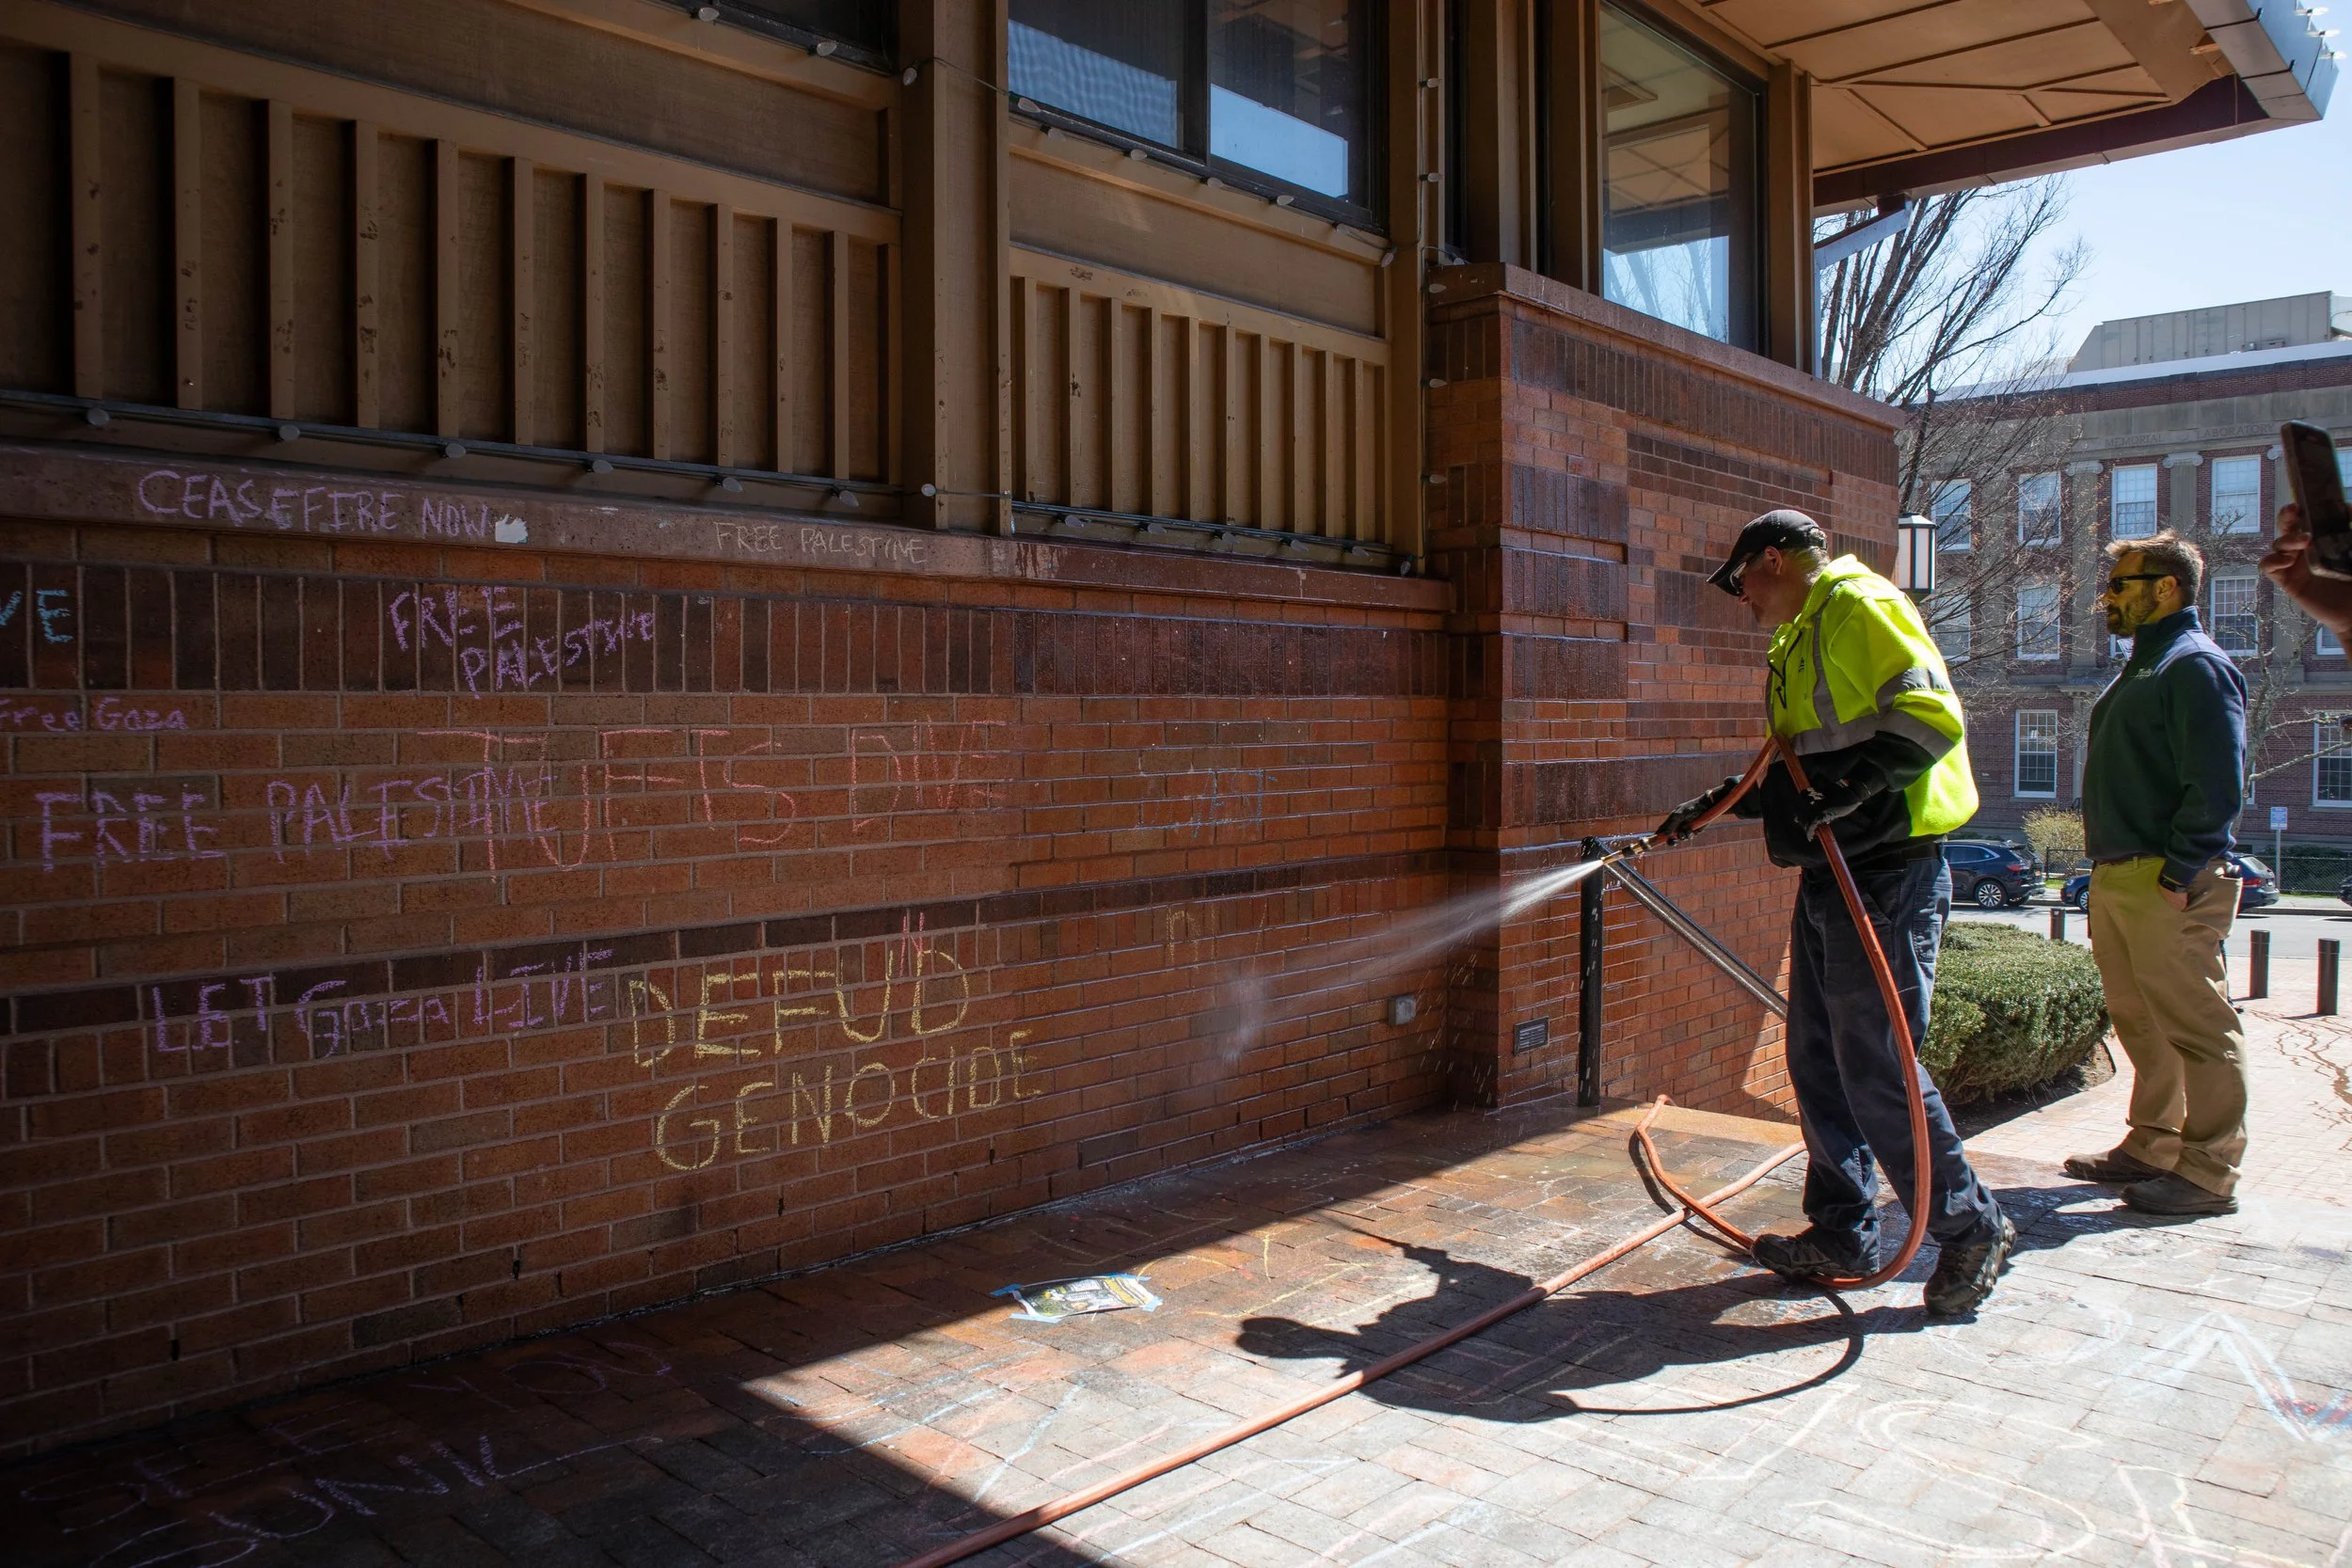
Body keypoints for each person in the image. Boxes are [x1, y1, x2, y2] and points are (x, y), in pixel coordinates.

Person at [1654, 509, 2013, 1317]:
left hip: (1886, 872)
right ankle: (1843, 1228)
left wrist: (1854, 790)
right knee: (1816, 1059)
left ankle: (1971, 1226)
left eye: (1742, 580)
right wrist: (1720, 805)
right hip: (1832, 873)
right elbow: (1795, 763)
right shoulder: (1801, 636)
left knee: (1878, 1062)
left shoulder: (1861, 605)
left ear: (1773, 559)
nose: (1741, 599)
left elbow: (1929, 717)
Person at [2067, 531, 2249, 1217]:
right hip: (2120, 874)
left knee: (2198, 1027)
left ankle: (2207, 1171)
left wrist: (2181, 870)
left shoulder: (2194, 664)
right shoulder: (2146, 664)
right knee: (2141, 1021)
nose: (2106, 595)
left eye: (2120, 584)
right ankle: (2153, 1143)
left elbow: (2216, 783)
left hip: (2165, 878)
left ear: (2166, 587)